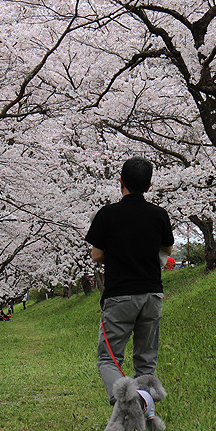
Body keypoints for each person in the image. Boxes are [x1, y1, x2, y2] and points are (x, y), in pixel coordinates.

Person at [85, 156, 174, 404]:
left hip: (119, 295)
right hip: (152, 295)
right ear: (149, 186)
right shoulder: (159, 215)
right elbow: (167, 248)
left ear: (120, 181)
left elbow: (97, 254)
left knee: (109, 358)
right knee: (146, 359)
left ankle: (127, 402)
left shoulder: (107, 214)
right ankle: (146, 406)